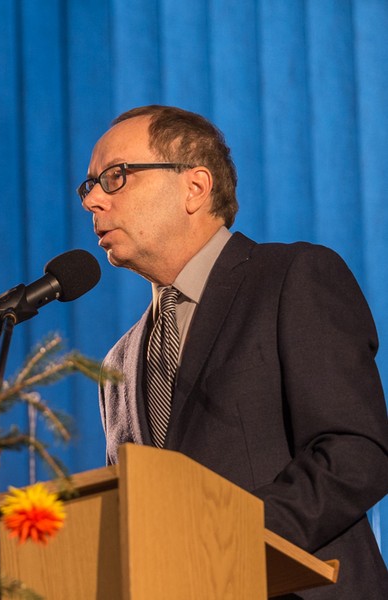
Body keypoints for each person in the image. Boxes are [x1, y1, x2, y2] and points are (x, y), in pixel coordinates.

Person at [81, 105, 388, 598]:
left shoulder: (293, 277)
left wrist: (230, 539)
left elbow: (355, 453)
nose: (92, 199)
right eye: (89, 185)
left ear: (195, 187)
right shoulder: (116, 363)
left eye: (115, 177)